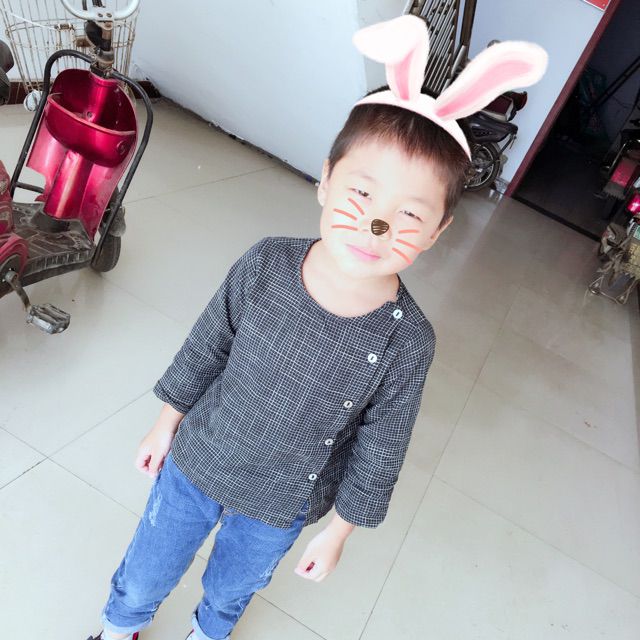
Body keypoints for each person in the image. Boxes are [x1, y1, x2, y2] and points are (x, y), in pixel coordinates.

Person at [88, 15, 547, 640]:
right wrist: (164, 421)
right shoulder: (266, 263)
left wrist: (339, 531)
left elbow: (382, 444)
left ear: (438, 232)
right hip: (198, 460)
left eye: (410, 214)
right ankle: (121, 626)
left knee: (233, 587)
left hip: (281, 506)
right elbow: (208, 344)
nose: (377, 226)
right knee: (149, 566)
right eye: (362, 194)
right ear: (327, 180)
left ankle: (209, 630)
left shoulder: (407, 340)